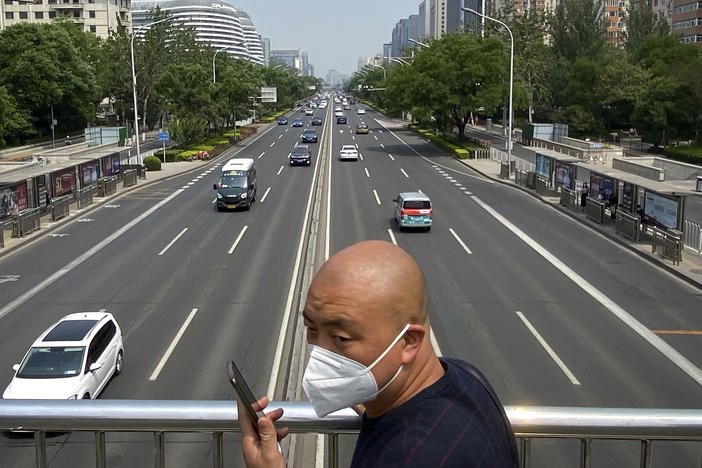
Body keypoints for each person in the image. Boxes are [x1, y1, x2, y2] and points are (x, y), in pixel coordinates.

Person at [239, 241, 519, 468]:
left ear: (408, 341)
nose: (319, 353)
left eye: (341, 338)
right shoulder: (466, 377)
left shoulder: (413, 457)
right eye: (312, 329)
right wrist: (357, 396)